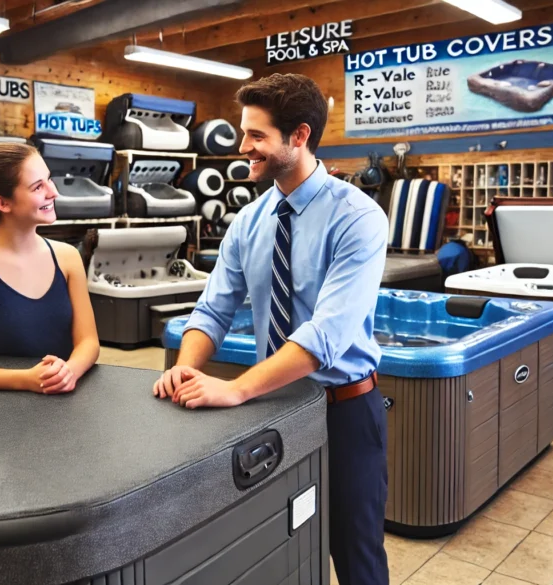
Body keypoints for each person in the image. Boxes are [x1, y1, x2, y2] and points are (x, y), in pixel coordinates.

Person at [153, 74, 390, 585]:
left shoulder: (358, 218)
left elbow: (326, 335)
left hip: (345, 412)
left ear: (299, 136)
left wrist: (237, 389)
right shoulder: (248, 222)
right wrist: (183, 368)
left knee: (357, 557)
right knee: (284, 544)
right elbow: (212, 311)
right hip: (278, 408)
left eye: (257, 136)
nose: (243, 148)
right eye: (245, 134)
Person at [0, 142, 100, 394]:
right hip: (3, 412)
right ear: (3, 203)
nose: (53, 192)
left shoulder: (67, 257)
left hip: (68, 401)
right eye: (37, 187)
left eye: (49, 180)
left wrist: (69, 372)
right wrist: (28, 379)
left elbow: (88, 341)